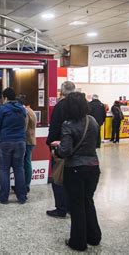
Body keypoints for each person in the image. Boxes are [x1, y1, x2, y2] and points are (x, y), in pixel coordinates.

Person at [52, 92, 101, 252]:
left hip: (75, 169)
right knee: (88, 201)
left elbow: (65, 151)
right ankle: (94, 236)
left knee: (76, 205)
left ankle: (78, 241)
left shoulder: (68, 124)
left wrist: (56, 149)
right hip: (93, 166)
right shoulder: (92, 121)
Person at [0, 87, 27, 204]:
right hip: (20, 142)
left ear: (5, 97)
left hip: (6, 142)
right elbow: (25, 124)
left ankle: (3, 197)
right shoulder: (22, 109)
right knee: (19, 169)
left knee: (4, 170)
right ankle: (22, 197)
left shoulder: (3, 109)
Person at [46, 81, 75, 218]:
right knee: (71, 180)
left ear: (61, 92)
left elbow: (54, 127)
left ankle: (61, 208)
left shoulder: (60, 106)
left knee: (58, 178)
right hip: (77, 149)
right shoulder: (81, 106)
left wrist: (50, 144)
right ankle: (70, 207)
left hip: (61, 147)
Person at [17, 94, 37, 193]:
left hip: (27, 140)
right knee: (27, 162)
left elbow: (23, 127)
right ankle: (25, 184)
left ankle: (25, 185)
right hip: (30, 140)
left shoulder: (25, 111)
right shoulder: (30, 110)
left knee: (26, 162)